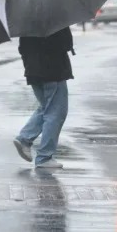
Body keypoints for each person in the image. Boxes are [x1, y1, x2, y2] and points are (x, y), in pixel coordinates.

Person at [13, 27, 74, 168]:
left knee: (46, 108)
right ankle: (44, 156)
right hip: (53, 71)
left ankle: (24, 139)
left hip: (33, 71)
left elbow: (22, 48)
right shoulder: (55, 19)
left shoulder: (26, 21)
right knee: (56, 113)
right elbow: (66, 44)